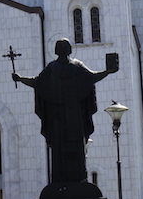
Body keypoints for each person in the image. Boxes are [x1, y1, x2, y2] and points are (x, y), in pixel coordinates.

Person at [13, 38, 117, 183]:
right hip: (75, 117)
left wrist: (20, 79)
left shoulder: (51, 68)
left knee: (59, 149)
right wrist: (108, 71)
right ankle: (80, 179)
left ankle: (59, 180)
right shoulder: (77, 67)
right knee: (76, 147)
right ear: (69, 50)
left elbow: (36, 82)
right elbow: (93, 77)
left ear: (56, 50)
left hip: (57, 119)